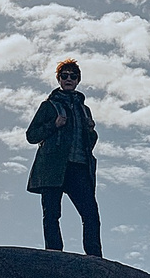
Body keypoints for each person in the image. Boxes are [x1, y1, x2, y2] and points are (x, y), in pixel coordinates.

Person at [25, 59, 101, 256]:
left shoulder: (85, 110)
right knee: (51, 214)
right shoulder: (49, 106)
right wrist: (54, 125)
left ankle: (95, 257)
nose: (68, 79)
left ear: (78, 80)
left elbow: (88, 143)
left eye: (73, 76)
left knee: (90, 214)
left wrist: (91, 131)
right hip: (52, 167)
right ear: (59, 79)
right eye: (64, 75)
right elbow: (31, 135)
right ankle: (54, 254)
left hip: (79, 166)